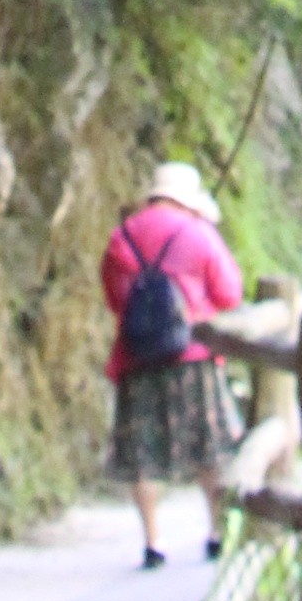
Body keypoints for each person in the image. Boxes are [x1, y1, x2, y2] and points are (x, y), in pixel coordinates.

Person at [101, 159, 244, 567]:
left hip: (136, 356)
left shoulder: (121, 236)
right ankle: (216, 532)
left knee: (142, 452)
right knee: (209, 447)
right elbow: (230, 292)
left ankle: (153, 541)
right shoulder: (199, 234)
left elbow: (115, 299)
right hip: (193, 356)